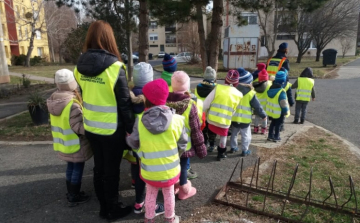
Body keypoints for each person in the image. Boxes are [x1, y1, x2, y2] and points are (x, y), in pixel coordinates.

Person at [73, 20, 134, 220]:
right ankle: (113, 209)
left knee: (99, 168)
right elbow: (124, 103)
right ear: (109, 39)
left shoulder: (78, 67)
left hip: (90, 126)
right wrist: (130, 128)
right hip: (111, 129)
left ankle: (103, 208)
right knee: (112, 171)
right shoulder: (116, 67)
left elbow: (83, 95)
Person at [126, 79, 188, 223]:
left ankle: (149, 218)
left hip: (149, 169)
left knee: (150, 193)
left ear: (146, 99)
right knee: (169, 193)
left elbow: (134, 143)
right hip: (170, 168)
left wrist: (135, 146)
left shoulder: (140, 120)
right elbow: (183, 144)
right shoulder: (178, 120)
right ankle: (170, 218)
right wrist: (175, 156)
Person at [121, 62, 166, 216]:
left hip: (133, 140)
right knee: (145, 174)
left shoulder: (127, 96)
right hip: (149, 143)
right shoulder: (151, 99)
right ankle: (144, 203)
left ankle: (136, 192)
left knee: (135, 165)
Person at [47, 69, 93, 206]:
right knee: (77, 168)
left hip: (64, 143)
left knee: (70, 167)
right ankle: (74, 195)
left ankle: (70, 192)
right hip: (76, 143)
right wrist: (90, 130)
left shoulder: (53, 100)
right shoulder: (72, 104)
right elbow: (77, 126)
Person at [166, 71, 207, 197]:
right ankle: (184, 187)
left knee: (171, 165)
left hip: (169, 142)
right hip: (185, 144)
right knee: (184, 165)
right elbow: (195, 128)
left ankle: (172, 186)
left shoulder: (164, 101)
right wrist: (201, 147)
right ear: (187, 86)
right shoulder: (190, 105)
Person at [203, 70, 243, 161]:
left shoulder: (217, 88)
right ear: (237, 82)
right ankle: (221, 153)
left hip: (212, 119)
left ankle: (210, 145)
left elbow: (206, 104)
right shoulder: (239, 94)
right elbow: (234, 110)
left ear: (226, 79)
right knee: (223, 136)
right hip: (225, 121)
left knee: (211, 132)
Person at [230, 69, 267, 156]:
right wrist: (263, 115)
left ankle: (233, 147)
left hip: (234, 117)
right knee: (246, 135)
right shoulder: (251, 93)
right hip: (245, 119)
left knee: (234, 134)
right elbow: (257, 106)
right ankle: (245, 150)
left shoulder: (232, 91)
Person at [194, 66, 218, 152]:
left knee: (203, 128)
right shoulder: (216, 88)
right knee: (212, 129)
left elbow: (196, 98)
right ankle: (212, 145)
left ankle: (205, 142)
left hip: (201, 111)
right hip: (212, 112)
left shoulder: (197, 87)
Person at [266, 71, 290, 142]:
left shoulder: (271, 88)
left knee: (272, 123)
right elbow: (283, 103)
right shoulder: (281, 91)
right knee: (278, 125)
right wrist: (285, 111)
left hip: (272, 111)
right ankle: (276, 136)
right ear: (283, 81)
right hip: (279, 112)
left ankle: (270, 135)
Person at [252, 69, 272, 134]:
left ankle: (255, 128)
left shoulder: (256, 85)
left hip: (257, 104)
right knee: (265, 117)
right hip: (266, 104)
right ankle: (263, 129)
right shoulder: (269, 84)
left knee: (257, 117)